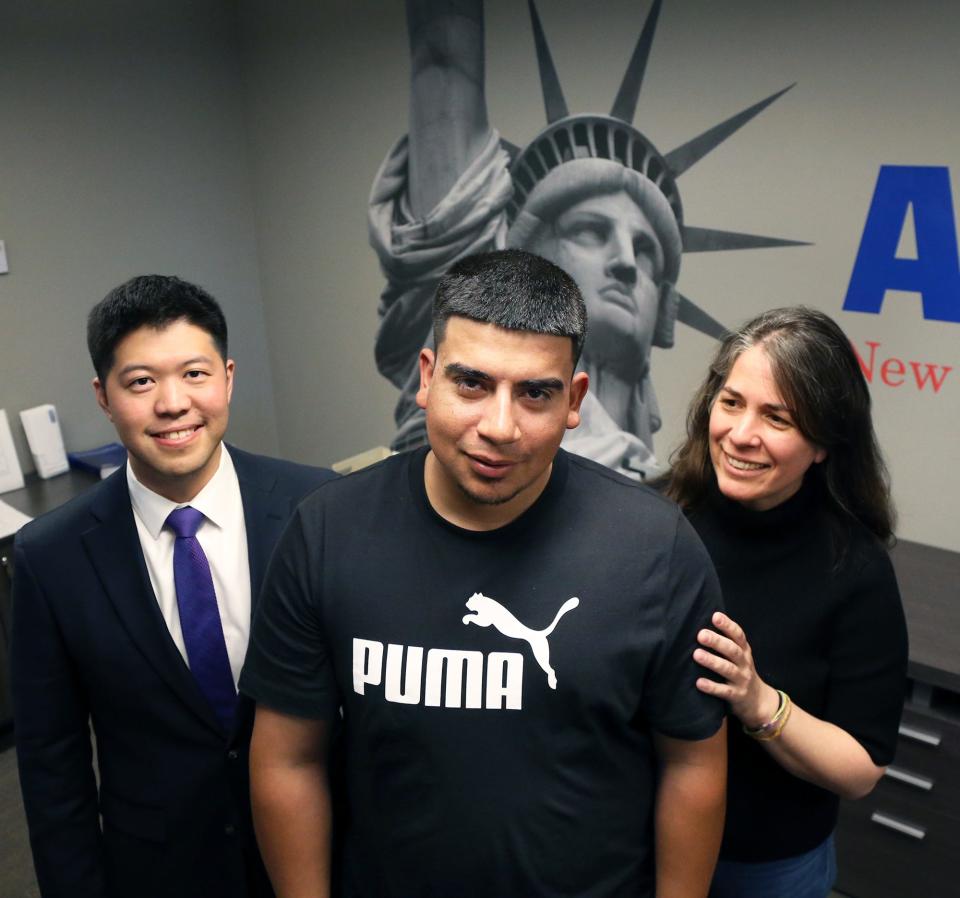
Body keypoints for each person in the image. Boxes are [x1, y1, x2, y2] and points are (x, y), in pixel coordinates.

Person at [240, 248, 727, 898]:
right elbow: (287, 759)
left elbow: (693, 762)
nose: (500, 427)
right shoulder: (328, 532)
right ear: (427, 375)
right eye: (472, 383)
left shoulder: (656, 548)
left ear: (575, 399)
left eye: (534, 393)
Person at [12, 275, 336, 898]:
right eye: (140, 382)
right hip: (160, 869)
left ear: (228, 377)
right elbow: (54, 770)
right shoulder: (50, 558)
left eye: (194, 373)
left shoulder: (316, 504)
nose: (173, 403)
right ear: (103, 397)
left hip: (320, 853)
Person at [370, 0, 697, 478]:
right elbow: (444, 59)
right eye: (590, 231)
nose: (626, 262)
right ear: (523, 258)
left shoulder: (672, 504)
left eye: (646, 250)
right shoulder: (462, 299)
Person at [663, 306, 909, 898]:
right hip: (639, 837)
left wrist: (758, 701)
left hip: (765, 869)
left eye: (777, 417)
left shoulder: (856, 570)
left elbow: (860, 771)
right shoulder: (660, 519)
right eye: (732, 402)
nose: (742, 434)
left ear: (824, 444)